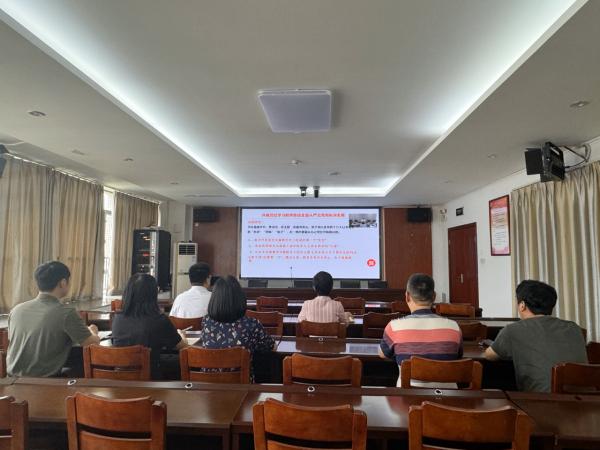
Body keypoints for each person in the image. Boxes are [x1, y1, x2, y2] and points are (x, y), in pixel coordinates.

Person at [485, 280, 587, 392]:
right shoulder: (574, 328)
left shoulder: (513, 330)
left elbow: (489, 356)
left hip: (542, 400)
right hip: (585, 398)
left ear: (522, 305)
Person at [7, 261, 100, 377]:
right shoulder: (66, 313)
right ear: (63, 283)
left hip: (10, 380)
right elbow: (92, 343)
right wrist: (93, 331)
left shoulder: (16, 310)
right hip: (42, 382)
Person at [378, 273, 463, 387]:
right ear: (434, 296)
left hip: (408, 395)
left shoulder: (394, 327)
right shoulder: (454, 327)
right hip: (448, 395)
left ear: (407, 296)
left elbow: (383, 354)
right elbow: (458, 356)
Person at [112, 273, 188, 379]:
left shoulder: (118, 318)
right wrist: (182, 335)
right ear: (153, 294)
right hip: (150, 379)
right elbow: (182, 347)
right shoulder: (159, 320)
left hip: (121, 378)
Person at [200, 276, 275, 379]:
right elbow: (271, 346)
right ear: (240, 298)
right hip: (241, 386)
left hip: (208, 385)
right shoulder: (251, 324)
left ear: (214, 299)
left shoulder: (206, 321)